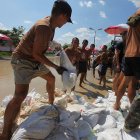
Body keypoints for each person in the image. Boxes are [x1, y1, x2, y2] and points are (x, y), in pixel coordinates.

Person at [0, 1, 73, 139]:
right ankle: (5, 133)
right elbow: (37, 54)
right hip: (23, 60)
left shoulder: (52, 26)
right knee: (20, 96)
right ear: (63, 15)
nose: (66, 23)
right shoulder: (44, 27)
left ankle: (51, 106)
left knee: (50, 79)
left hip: (34, 61)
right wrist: (57, 67)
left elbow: (42, 46)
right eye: (67, 20)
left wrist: (55, 46)